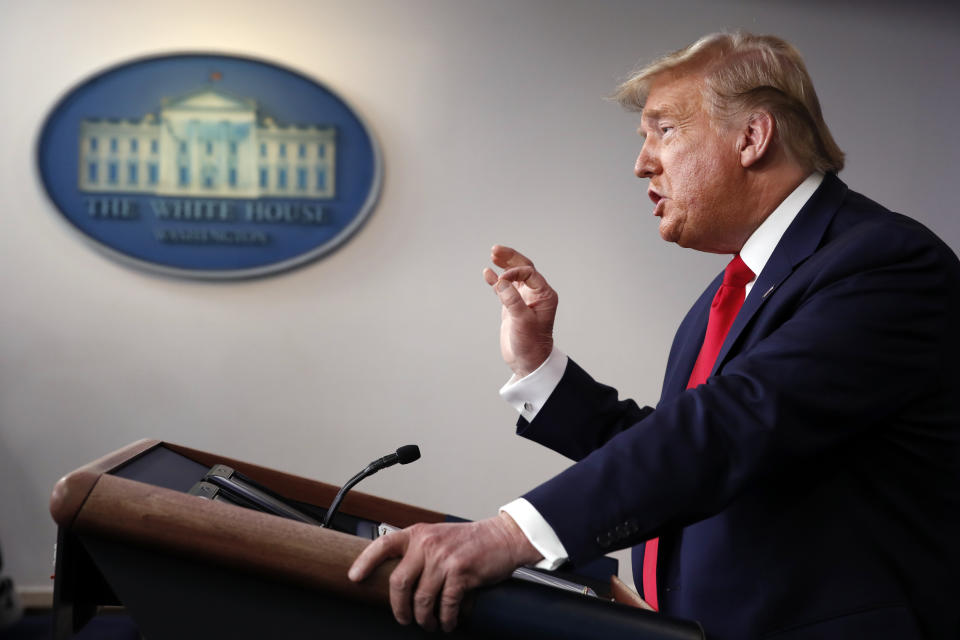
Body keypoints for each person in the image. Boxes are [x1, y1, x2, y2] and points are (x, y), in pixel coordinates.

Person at [349, 31, 960, 639]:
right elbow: (686, 448)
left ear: (751, 137)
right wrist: (541, 367)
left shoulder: (885, 262)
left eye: (664, 131)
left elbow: (725, 430)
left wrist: (510, 534)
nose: (642, 162)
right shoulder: (730, 291)